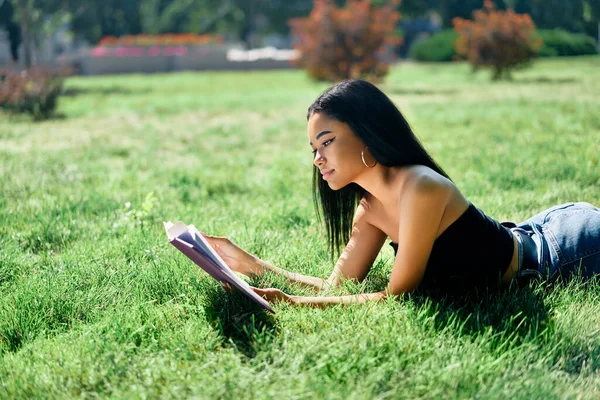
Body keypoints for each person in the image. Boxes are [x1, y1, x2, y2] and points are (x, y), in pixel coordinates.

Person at [202, 79, 600, 309]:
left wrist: (294, 303)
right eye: (313, 150)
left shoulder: (420, 186)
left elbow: (397, 295)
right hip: (535, 228)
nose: (318, 160)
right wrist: (253, 265)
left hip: (566, 251)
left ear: (366, 133)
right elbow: (338, 288)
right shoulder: (369, 209)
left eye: (326, 142)